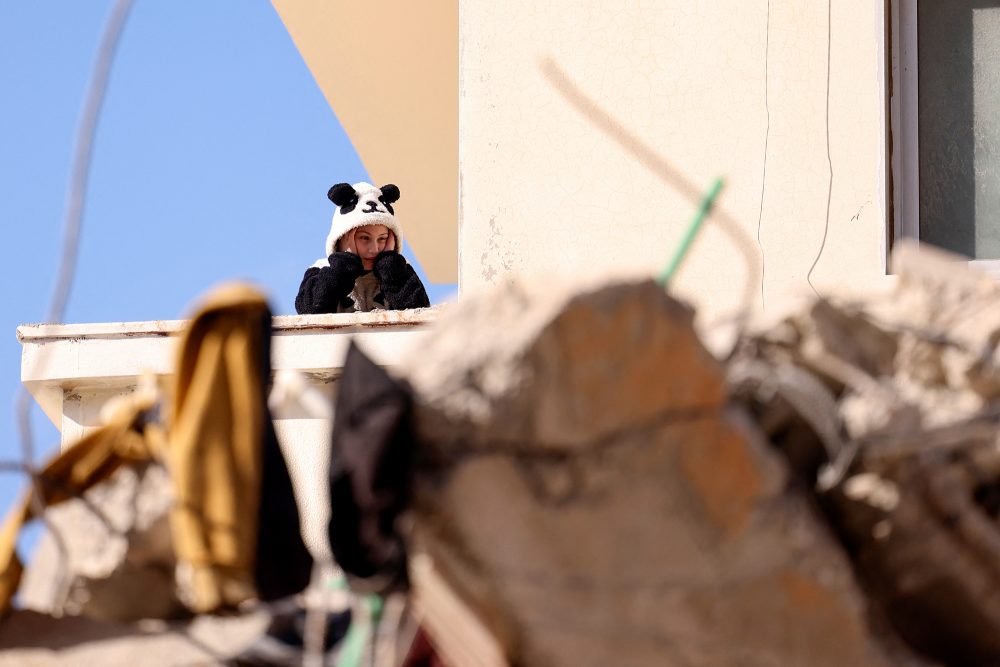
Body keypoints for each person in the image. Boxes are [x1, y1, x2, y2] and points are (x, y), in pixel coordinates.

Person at [295, 182, 430, 314]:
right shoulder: (321, 268)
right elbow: (308, 310)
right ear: (342, 236)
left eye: (382, 238)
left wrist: (391, 267)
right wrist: (344, 266)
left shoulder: (400, 269)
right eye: (364, 238)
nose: (374, 248)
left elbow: (420, 313)